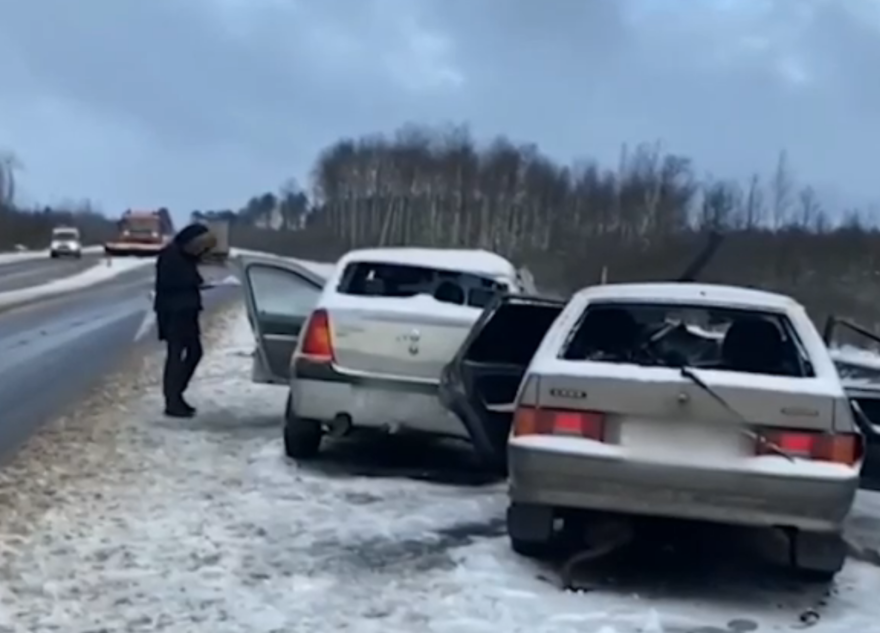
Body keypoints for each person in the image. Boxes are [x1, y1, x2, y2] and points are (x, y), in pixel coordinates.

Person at [153, 223, 217, 417]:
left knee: (192, 352)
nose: (201, 249)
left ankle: (176, 395)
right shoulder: (170, 256)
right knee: (176, 354)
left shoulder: (185, 256)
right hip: (174, 313)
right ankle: (172, 399)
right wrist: (196, 283)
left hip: (186, 311)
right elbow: (170, 283)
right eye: (200, 245)